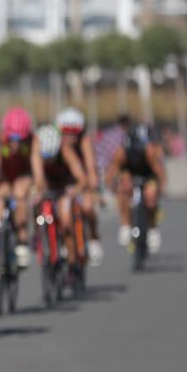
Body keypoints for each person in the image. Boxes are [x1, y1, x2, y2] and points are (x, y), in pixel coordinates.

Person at [0, 107, 44, 270]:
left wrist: (37, 188)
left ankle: (22, 239)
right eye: (12, 138)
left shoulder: (32, 141)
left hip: (23, 176)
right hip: (4, 177)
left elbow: (37, 170)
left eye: (20, 139)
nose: (15, 143)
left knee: (20, 194)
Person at [105, 123, 167, 253]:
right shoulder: (121, 152)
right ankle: (125, 225)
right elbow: (112, 170)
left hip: (148, 173)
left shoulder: (150, 151)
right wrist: (111, 186)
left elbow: (158, 171)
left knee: (150, 195)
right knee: (123, 189)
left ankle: (152, 227)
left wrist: (159, 187)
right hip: (130, 172)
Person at [57, 107, 104, 266]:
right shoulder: (57, 143)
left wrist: (94, 187)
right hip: (62, 182)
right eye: (66, 133)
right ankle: (61, 241)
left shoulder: (85, 142)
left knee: (88, 207)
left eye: (74, 133)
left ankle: (93, 236)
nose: (70, 137)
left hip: (81, 181)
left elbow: (90, 167)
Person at [37, 124, 88, 262]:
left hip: (66, 186)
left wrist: (74, 190)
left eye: (51, 158)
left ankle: (72, 261)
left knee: (66, 220)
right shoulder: (36, 154)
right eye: (45, 159)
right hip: (50, 188)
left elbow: (82, 178)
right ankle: (40, 237)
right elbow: (37, 179)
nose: (49, 162)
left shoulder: (65, 150)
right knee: (37, 205)